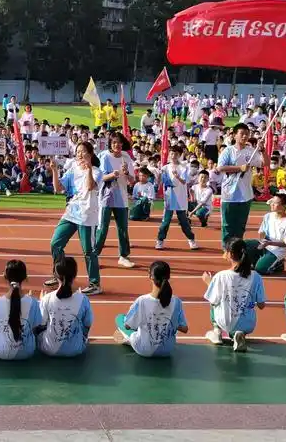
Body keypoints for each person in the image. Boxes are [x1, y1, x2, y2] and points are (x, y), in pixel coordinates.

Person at [47, 142, 103, 293]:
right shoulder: (73, 170)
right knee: (55, 243)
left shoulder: (97, 171)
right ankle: (59, 275)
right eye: (78, 151)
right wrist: (54, 170)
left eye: (83, 151)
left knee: (88, 250)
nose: (79, 154)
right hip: (72, 212)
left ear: (90, 154)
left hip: (87, 215)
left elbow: (91, 186)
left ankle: (94, 284)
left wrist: (89, 168)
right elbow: (58, 189)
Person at [202, 238, 267, 352]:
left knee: (213, 300)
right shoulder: (256, 276)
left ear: (230, 254)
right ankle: (239, 334)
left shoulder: (221, 276)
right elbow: (261, 305)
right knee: (244, 312)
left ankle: (217, 332)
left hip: (224, 321)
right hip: (248, 323)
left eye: (225, 251)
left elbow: (213, 300)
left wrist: (209, 283)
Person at [114, 261, 188, 358]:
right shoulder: (177, 302)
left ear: (150, 276)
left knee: (120, 318)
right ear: (168, 277)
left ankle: (130, 339)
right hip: (167, 350)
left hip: (144, 350)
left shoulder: (142, 301)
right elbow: (184, 328)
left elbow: (127, 326)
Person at [0, 260, 42, 360]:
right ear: (25, 277)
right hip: (27, 352)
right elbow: (34, 329)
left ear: (5, 276)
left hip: (1, 352)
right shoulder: (33, 302)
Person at [216, 123, 263, 243]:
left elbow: (263, 164)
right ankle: (227, 247)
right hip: (229, 194)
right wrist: (239, 168)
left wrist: (263, 150)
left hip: (245, 195)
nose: (245, 136)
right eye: (242, 134)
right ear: (235, 135)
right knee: (227, 225)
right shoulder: (228, 151)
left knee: (240, 225)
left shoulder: (251, 151)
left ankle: (237, 247)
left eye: (247, 134)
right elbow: (220, 168)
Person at [37, 257, 93, 357]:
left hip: (49, 350)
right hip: (76, 350)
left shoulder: (47, 298)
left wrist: (41, 302)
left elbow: (40, 324)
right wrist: (83, 338)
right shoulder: (83, 299)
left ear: (55, 275)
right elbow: (87, 324)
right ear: (75, 275)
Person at [95, 133, 136, 268]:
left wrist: (126, 174)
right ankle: (94, 255)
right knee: (102, 228)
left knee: (123, 228)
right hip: (105, 197)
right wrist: (112, 175)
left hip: (121, 197)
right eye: (113, 143)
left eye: (119, 143)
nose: (116, 145)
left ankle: (123, 256)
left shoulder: (126, 157)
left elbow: (132, 181)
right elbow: (99, 178)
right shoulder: (104, 156)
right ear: (110, 144)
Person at [156, 145, 199, 251]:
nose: (173, 155)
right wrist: (159, 177)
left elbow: (185, 181)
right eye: (171, 153)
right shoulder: (165, 168)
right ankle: (160, 240)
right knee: (165, 222)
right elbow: (164, 183)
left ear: (179, 155)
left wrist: (177, 176)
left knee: (184, 222)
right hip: (169, 199)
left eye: (176, 154)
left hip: (180, 199)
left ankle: (191, 239)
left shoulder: (184, 167)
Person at [244, 193, 286, 275]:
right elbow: (262, 232)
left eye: (275, 203)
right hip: (265, 245)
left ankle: (278, 264)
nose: (272, 204)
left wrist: (270, 243)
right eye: (272, 202)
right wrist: (262, 240)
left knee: (260, 270)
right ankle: (257, 261)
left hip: (277, 250)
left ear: (284, 206)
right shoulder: (268, 216)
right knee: (244, 244)